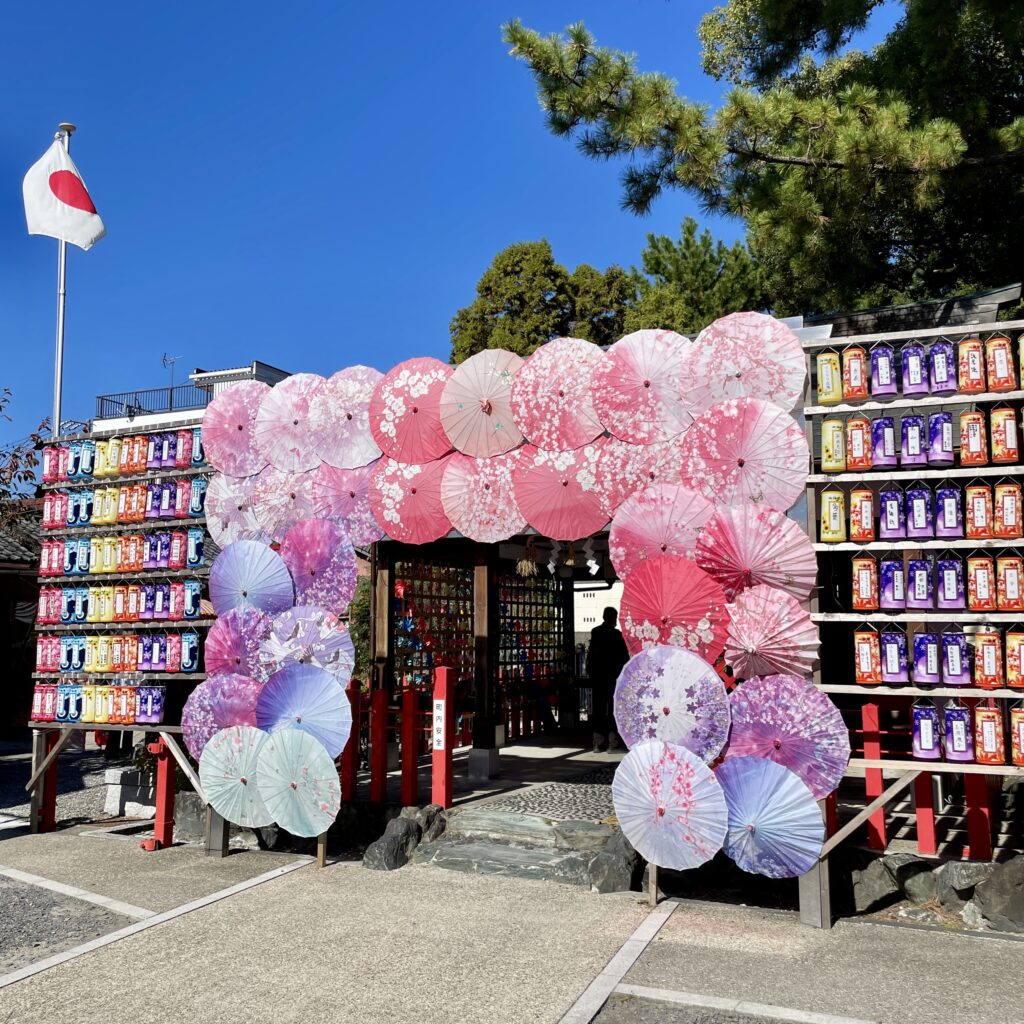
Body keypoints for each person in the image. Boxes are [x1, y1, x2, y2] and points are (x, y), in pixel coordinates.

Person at [585, 607, 629, 753]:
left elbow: (591, 655)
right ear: (613, 618)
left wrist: (591, 672)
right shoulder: (616, 635)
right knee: (612, 710)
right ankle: (612, 742)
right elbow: (624, 657)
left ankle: (597, 743)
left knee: (598, 709)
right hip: (612, 678)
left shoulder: (596, 632)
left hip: (598, 678)